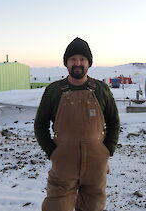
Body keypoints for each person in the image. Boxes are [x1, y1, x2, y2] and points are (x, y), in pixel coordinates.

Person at [34, 37, 120, 211]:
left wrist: (107, 150)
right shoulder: (54, 90)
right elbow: (40, 124)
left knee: (93, 206)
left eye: (82, 59)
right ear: (67, 63)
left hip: (96, 164)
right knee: (56, 206)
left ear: (89, 63)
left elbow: (114, 122)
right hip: (63, 163)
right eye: (73, 59)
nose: (78, 63)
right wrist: (53, 152)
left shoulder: (101, 90)